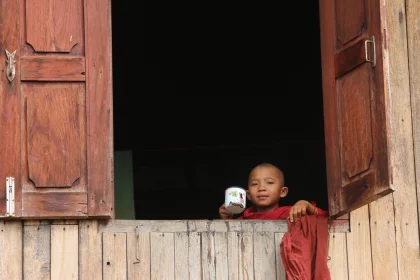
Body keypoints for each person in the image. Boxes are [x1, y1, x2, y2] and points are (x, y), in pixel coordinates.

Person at [218, 163, 329, 221]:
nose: (261, 188)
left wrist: (307, 205)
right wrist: (226, 221)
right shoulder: (243, 219)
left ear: (283, 192)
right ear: (248, 195)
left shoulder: (291, 213)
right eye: (255, 184)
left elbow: (328, 220)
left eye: (269, 183)